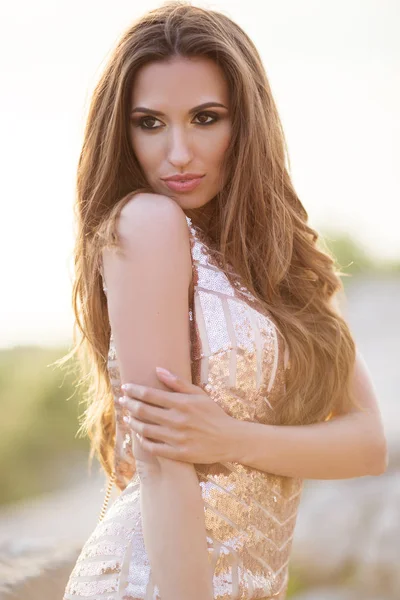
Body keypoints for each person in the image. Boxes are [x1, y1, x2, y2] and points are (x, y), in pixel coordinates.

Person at [61, 2, 387, 599]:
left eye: (206, 118)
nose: (178, 153)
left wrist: (229, 439)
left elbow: (366, 445)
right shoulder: (148, 224)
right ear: (121, 130)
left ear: (247, 121)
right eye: (150, 123)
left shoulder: (286, 264)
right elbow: (164, 469)